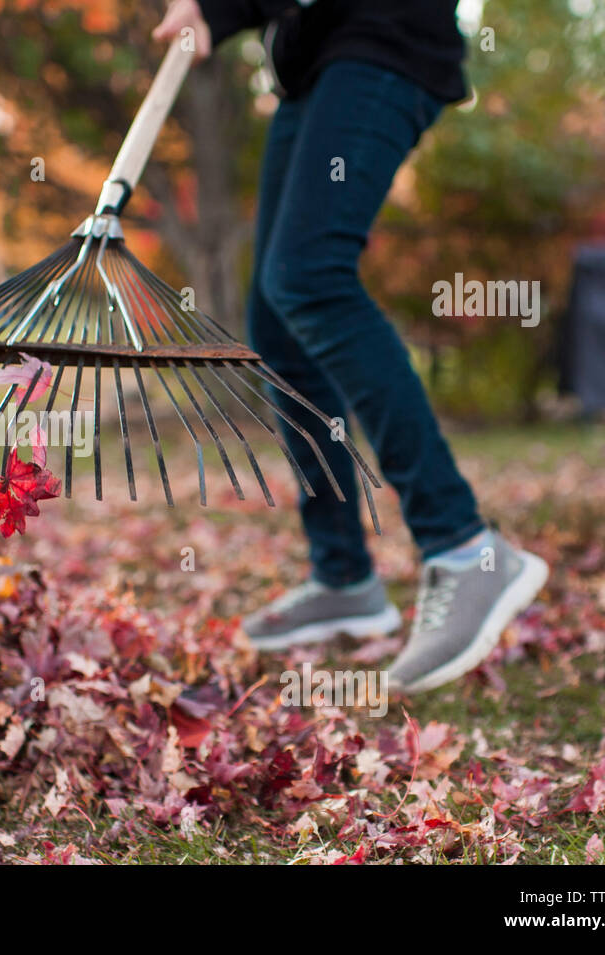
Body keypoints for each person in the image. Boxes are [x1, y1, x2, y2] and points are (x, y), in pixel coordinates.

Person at [152, 0, 548, 693]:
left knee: (308, 277)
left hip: (384, 37)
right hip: (312, 66)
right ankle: (344, 576)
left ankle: (463, 545)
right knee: (276, 318)